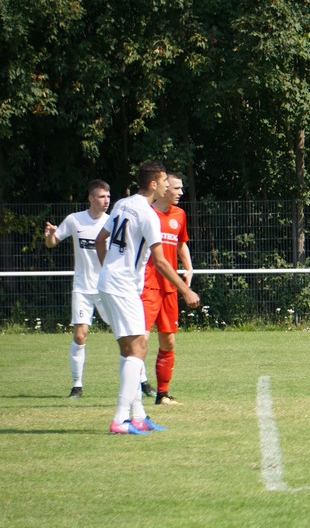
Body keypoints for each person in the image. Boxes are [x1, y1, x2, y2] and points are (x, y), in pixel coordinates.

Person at [96, 162, 200, 435]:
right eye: (164, 181)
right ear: (154, 184)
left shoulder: (122, 204)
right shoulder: (148, 215)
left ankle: (139, 415)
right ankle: (120, 419)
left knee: (129, 351)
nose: (167, 185)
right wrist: (186, 290)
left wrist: (109, 270)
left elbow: (100, 240)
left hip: (108, 283)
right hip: (124, 287)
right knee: (139, 348)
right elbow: (162, 262)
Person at [43, 180, 112, 397]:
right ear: (91, 198)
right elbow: (52, 242)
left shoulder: (112, 222)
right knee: (80, 336)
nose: (106, 200)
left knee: (125, 332)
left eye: (108, 196)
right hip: (82, 288)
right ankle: (77, 386)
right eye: (101, 196)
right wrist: (50, 236)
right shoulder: (74, 220)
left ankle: (142, 381)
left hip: (106, 288)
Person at [141, 172, 193, 405]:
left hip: (169, 287)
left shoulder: (179, 215)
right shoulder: (146, 213)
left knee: (168, 341)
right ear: (163, 187)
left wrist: (189, 268)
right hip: (147, 285)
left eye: (181, 188)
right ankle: (134, 391)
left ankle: (162, 395)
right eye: (176, 188)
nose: (181, 192)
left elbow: (181, 244)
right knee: (140, 340)